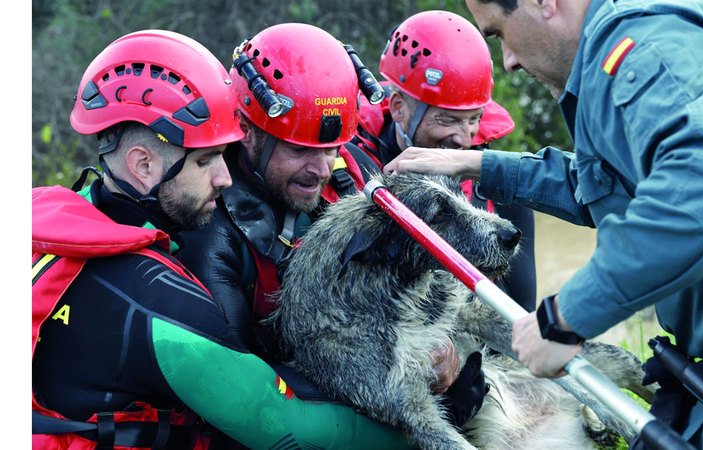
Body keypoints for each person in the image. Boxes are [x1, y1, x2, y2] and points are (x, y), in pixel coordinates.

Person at [384, 0, 703, 448]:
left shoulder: (637, 46)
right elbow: (609, 185)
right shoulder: (633, 36)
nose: (508, 60)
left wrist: (564, 318)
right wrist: (479, 165)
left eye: (500, 33)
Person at [32, 29, 415, 449]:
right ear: (142, 165)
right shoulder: (158, 301)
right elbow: (285, 425)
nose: (225, 177)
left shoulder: (63, 219)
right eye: (206, 159)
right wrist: (424, 433)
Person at [177, 23, 487, 429]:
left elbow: (426, 289)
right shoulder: (210, 231)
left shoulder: (352, 173)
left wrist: (453, 360)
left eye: (332, 148)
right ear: (248, 132)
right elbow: (240, 397)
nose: (322, 169)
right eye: (300, 150)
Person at [347, 10, 538, 311]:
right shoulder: (350, 171)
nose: (464, 138)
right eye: (448, 120)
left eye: (474, 119)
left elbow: (520, 310)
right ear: (398, 109)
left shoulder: (500, 189)